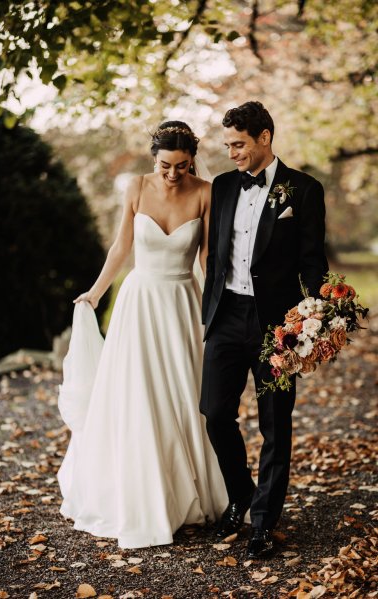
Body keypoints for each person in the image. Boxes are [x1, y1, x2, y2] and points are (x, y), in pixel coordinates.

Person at [57, 121, 227, 549]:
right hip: (139, 303)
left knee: (184, 393)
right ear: (154, 158)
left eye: (182, 166)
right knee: (140, 393)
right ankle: (144, 493)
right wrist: (95, 294)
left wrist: (216, 311)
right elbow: (121, 247)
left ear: (192, 161)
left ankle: (190, 491)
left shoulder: (205, 192)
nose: (173, 174)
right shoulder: (135, 187)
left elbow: (207, 258)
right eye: (166, 165)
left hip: (181, 303)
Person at [201, 101, 328, 558]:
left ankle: (263, 521)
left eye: (238, 144)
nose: (232, 153)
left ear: (264, 138)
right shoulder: (221, 187)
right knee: (215, 414)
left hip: (277, 325)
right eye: (227, 145)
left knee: (276, 423)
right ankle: (241, 494)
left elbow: (313, 261)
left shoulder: (305, 190)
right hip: (226, 316)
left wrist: (316, 316)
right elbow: (215, 254)